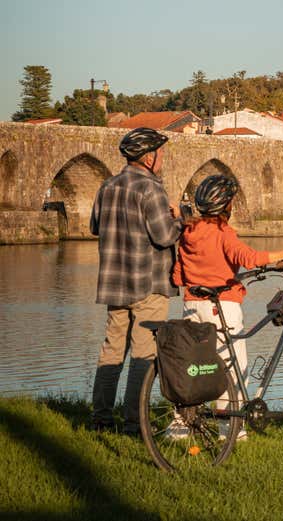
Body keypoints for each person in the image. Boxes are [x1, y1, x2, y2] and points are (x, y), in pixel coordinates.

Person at [171, 174, 283, 437]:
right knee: (232, 370)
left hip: (191, 306)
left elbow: (178, 276)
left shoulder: (188, 233)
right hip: (222, 306)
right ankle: (230, 429)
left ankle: (180, 427)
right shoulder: (224, 233)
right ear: (226, 206)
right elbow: (250, 258)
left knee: (194, 367)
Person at [90, 127, 183, 434]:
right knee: (144, 353)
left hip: (115, 283)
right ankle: (134, 422)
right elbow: (165, 234)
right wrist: (180, 218)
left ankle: (101, 418)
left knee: (112, 351)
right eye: (162, 153)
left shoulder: (107, 186)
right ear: (148, 157)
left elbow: (94, 227)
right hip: (148, 283)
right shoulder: (151, 189)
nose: (164, 159)